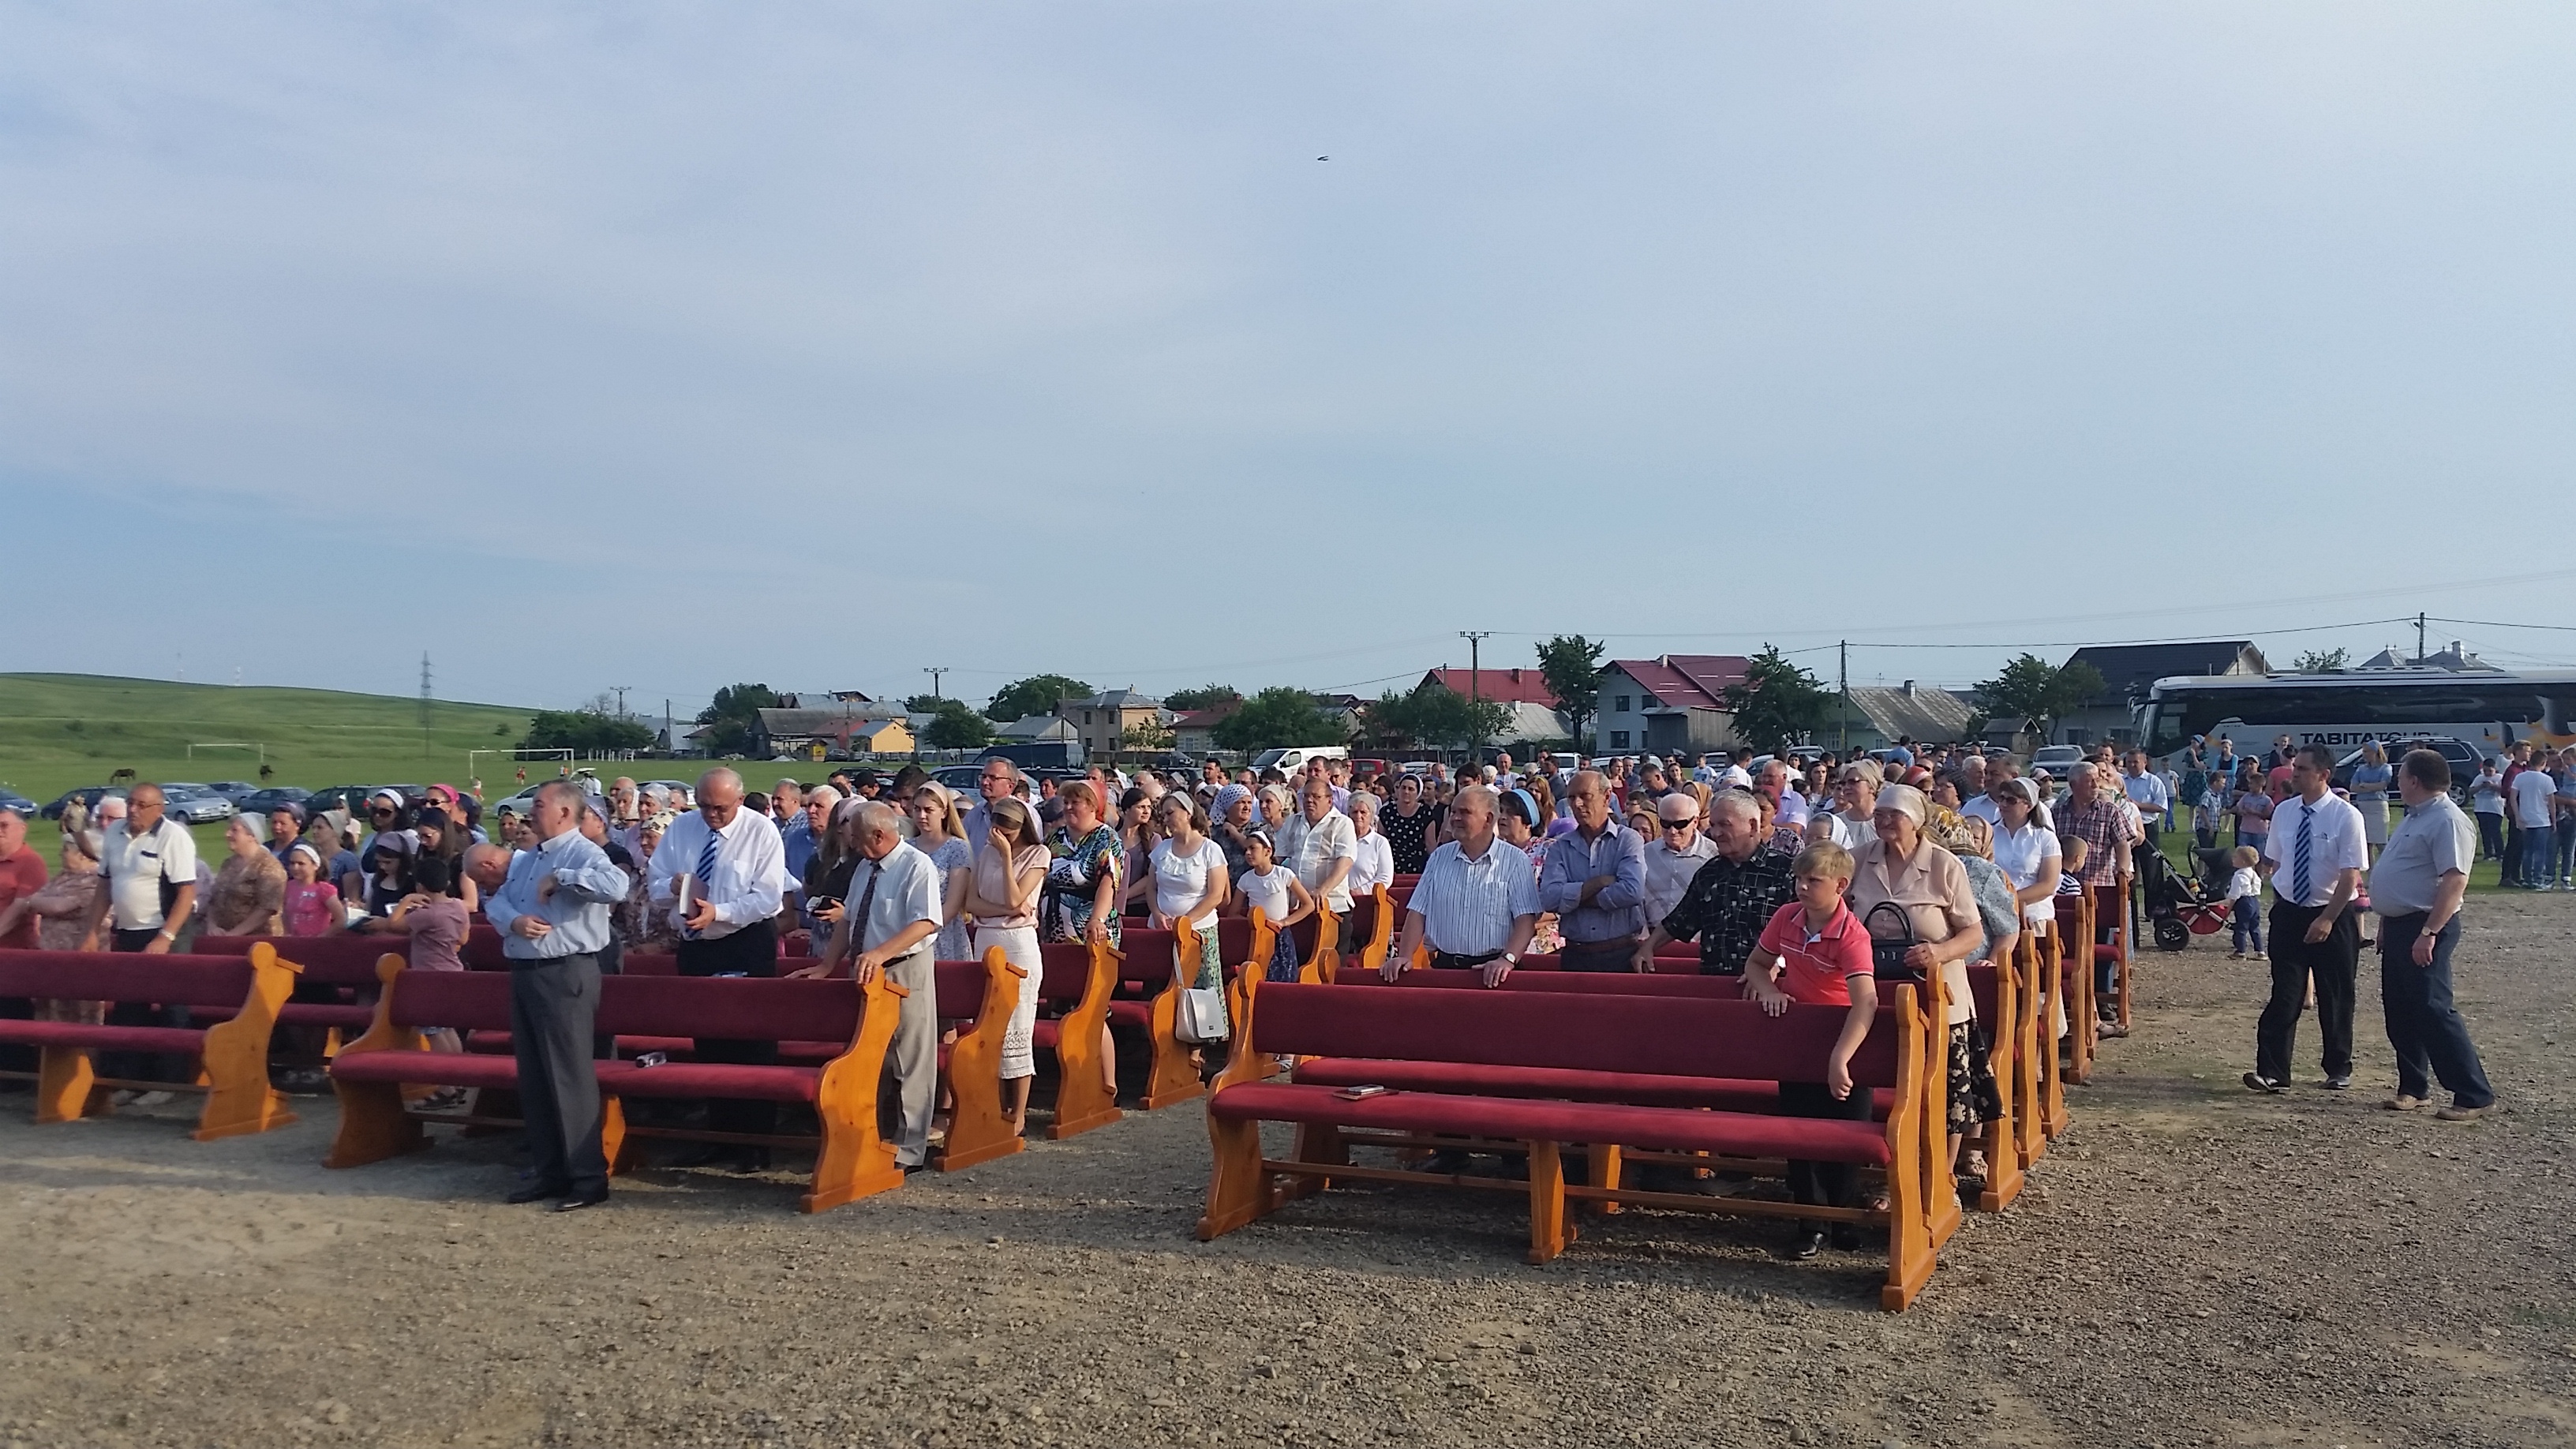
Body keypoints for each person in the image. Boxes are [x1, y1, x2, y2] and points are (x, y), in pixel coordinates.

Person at [481, 781, 627, 1211]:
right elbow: (498, 902)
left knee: (568, 1077)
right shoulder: (528, 857)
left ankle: (587, 1178)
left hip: (565, 972)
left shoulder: (582, 853)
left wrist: (563, 878)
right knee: (535, 1077)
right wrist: (515, 922)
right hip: (526, 970)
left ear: (564, 812)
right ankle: (550, 1172)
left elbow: (616, 885)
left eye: (539, 805)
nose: (531, 812)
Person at [647, 768, 791, 1169]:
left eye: (720, 808)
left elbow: (768, 898)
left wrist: (720, 912)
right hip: (697, 945)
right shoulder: (683, 828)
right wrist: (673, 887)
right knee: (709, 1042)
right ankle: (719, 1136)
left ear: (740, 801)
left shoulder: (760, 831)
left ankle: (754, 1143)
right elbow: (654, 882)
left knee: (752, 1045)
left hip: (745, 943)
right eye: (705, 806)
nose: (711, 815)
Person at [1743, 840, 1878, 1257]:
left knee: (1846, 1134)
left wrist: (1841, 1058)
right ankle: (1810, 1222)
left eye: (1813, 880)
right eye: (1799, 879)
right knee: (1799, 1131)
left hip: (1845, 1036)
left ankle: (1843, 1219)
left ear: (1840, 885)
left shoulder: (1852, 935)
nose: (1802, 887)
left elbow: (1866, 1002)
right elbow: (1756, 964)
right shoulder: (1787, 917)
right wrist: (1769, 990)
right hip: (1799, 1036)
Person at [791, 804, 945, 1170]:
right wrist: (828, 964)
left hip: (904, 969)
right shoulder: (865, 867)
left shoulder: (916, 865)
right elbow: (850, 918)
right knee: (869, 1059)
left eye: (857, 838)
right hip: (866, 974)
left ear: (879, 835)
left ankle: (910, 1149)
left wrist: (879, 954)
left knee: (910, 1059)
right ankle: (866, 1138)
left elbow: (925, 922)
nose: (852, 844)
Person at [1850, 783, 1993, 1175]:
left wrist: (1939, 952)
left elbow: (1973, 932)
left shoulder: (1945, 865)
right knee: (1885, 1082)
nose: (1883, 821)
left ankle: (1939, 1174)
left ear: (1915, 821)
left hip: (1936, 992)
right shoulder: (1859, 859)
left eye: (1893, 815)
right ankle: (1888, 1174)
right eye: (1879, 814)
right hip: (1873, 991)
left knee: (1944, 1089)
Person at [2370, 749, 2494, 1121]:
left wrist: (2429, 932)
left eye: (2401, 776)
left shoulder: (2447, 820)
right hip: (2400, 925)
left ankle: (2473, 1093)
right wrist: (2386, 919)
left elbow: (2454, 880)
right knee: (2400, 1010)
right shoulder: (2415, 816)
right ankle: (2413, 1087)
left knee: (2433, 1008)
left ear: (2414, 780)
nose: (2396, 781)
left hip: (2425, 924)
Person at [2245, 745, 2371, 1095]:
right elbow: (2276, 862)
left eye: (2302, 769)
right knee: (2286, 993)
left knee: (2336, 995)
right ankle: (2273, 1072)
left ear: (2323, 775)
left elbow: (2350, 876)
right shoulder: (2284, 812)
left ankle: (2338, 1067)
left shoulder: (2346, 816)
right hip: (2290, 913)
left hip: (2333, 913)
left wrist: (2328, 919)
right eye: (2294, 767)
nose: (2294, 773)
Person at [1381, 787, 1540, 988]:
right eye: (1453, 811)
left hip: (1495, 972)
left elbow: (1526, 920)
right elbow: (1418, 912)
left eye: (1465, 812)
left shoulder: (1515, 860)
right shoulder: (1439, 857)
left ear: (1489, 819)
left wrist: (1507, 959)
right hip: (1445, 969)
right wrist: (1405, 956)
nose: (1455, 818)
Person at [960, 796, 1050, 1135]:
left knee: (1017, 1028)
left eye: (1008, 831)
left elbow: (1016, 897)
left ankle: (1019, 1112)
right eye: (997, 827)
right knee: (988, 1025)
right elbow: (972, 903)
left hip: (1019, 945)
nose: (1000, 835)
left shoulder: (1038, 854)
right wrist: (1006, 911)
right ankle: (993, 1106)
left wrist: (1008, 857)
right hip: (987, 938)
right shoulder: (985, 852)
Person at [1638, 790, 1799, 976]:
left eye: (1725, 825)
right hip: (1714, 984)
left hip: (1770, 988)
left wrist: (1775, 964)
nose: (1715, 833)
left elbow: (1806, 933)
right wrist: (1648, 947)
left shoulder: (1786, 872)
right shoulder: (1709, 873)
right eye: (1713, 825)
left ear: (1753, 825)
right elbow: (1680, 921)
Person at [1146, 795, 1231, 1058]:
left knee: (1198, 989)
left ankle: (1196, 1051)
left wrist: (1186, 922)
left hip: (1198, 931)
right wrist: (1157, 913)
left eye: (1171, 812)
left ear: (1187, 813)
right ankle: (1163, 1047)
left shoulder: (1210, 850)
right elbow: (1151, 887)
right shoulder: (1162, 849)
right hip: (1162, 929)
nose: (1166, 818)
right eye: (1164, 814)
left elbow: (1216, 895)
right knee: (1164, 987)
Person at [1535, 771, 1646, 973]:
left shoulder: (1628, 840)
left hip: (1620, 954)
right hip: (1575, 956)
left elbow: (1632, 891)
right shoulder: (1560, 847)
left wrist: (1574, 899)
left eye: (1585, 796)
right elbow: (1549, 899)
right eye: (1571, 798)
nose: (1577, 804)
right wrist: (1597, 884)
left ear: (1607, 797)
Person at [84, 783, 197, 954]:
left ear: (159, 809)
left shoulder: (173, 836)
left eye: (141, 805)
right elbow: (104, 886)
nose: (133, 810)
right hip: (126, 931)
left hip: (164, 932)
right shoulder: (114, 831)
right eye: (130, 803)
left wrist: (165, 937)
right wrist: (92, 932)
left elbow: (186, 893)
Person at [1041, 781, 1123, 948]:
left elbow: (1108, 883)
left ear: (1092, 806)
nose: (1068, 807)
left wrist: (1097, 919)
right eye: (1066, 802)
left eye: (1075, 802)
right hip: (1052, 930)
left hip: (1089, 932)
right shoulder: (1054, 837)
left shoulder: (1106, 838)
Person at [1234, 829, 1314, 982]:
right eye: (1246, 850)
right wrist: (1255, 923)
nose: (1248, 853)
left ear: (1268, 851)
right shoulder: (1246, 879)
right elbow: (1233, 913)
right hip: (1258, 936)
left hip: (1280, 934)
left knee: (1284, 979)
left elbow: (1308, 905)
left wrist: (1284, 922)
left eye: (1253, 848)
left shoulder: (1284, 874)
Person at [908, 784, 975, 962]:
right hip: (909, 929)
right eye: (917, 809)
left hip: (943, 932)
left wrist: (924, 930)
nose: (922, 815)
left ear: (944, 813)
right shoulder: (907, 847)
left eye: (928, 810)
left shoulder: (956, 848)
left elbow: (953, 904)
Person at [1642, 790, 1720, 930]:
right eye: (1665, 823)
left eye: (1680, 824)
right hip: (1652, 938)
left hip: (1697, 939)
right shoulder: (1645, 853)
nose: (1672, 831)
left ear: (1695, 821)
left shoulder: (1715, 855)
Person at [205, 816, 286, 935]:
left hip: (259, 939)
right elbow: (214, 900)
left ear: (252, 836)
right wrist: (212, 926)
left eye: (234, 830)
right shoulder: (228, 864)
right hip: (223, 937)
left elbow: (267, 908)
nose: (227, 834)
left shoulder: (269, 867)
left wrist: (234, 934)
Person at [2507, 747, 2558, 889]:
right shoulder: (2547, 779)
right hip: (2542, 820)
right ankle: (2537, 879)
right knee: (2540, 851)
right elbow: (2551, 803)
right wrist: (2554, 820)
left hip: (2525, 818)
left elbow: (2513, 797)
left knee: (2527, 851)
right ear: (2543, 763)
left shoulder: (2520, 777)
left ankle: (2527, 878)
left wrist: (2517, 816)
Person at [0, 808, 47, 951]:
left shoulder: (31, 862)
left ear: (23, 828)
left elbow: (20, 908)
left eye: (4, 825)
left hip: (12, 950)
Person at [1381, 774, 1437, 875]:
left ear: (1417, 793)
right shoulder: (1386, 812)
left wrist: (1436, 865)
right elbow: (1381, 841)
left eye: (1411, 789)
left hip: (1418, 867)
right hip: (1391, 867)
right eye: (1403, 788)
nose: (1406, 792)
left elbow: (1430, 843)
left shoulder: (1425, 812)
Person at [1346, 792, 1395, 903]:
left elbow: (1385, 878)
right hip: (1341, 901)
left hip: (1367, 901)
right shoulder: (1341, 840)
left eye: (1363, 812)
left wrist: (1359, 891)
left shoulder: (1380, 843)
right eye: (1354, 812)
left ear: (1371, 815)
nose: (1358, 816)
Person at [2349, 739, 2394, 849]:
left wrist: (2364, 785)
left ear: (2375, 752)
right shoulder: (2361, 769)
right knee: (2366, 844)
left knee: (2381, 842)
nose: (2364, 754)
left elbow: (2382, 786)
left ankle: (2386, 860)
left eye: (2367, 751)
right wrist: (2372, 787)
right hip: (2363, 807)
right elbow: (2353, 787)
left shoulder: (2385, 768)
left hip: (2378, 807)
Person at [2222, 846, 2265, 960]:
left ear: (2243, 862)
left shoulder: (2238, 876)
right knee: (2255, 928)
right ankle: (2260, 951)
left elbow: (2234, 895)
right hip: (2254, 901)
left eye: (2236, 857)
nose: (2233, 859)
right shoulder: (2254, 874)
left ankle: (2240, 951)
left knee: (2241, 928)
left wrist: (2228, 910)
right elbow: (2258, 888)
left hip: (2244, 902)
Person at [2120, 750, 2170, 844]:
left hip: (2147, 827)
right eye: (2129, 762)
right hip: (2125, 827)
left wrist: (2137, 805)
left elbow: (2162, 807)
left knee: (2149, 854)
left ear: (2145, 762)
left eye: (2136, 762)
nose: (2132, 765)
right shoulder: (2121, 781)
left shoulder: (2154, 781)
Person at [2469, 757, 2507, 862]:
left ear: (2495, 769)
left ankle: (2500, 853)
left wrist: (2493, 786)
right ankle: (2488, 853)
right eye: (2485, 771)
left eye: (2490, 771)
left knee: (2495, 832)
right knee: (2485, 832)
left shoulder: (2500, 778)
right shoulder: (2479, 778)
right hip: (2481, 808)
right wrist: (2481, 787)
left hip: (2495, 809)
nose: (2487, 773)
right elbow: (2471, 791)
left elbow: (2505, 791)